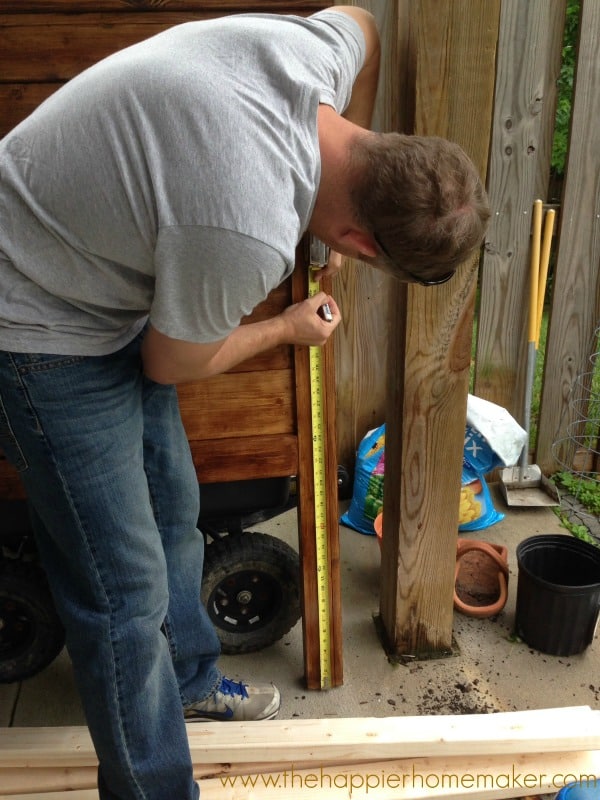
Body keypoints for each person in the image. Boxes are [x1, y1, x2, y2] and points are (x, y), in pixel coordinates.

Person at [0, 6, 489, 799]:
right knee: (120, 594)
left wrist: (320, 231)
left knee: (172, 509)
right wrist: (288, 328)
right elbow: (168, 365)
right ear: (365, 246)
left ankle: (189, 683)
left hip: (95, 271)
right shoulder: (247, 223)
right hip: (35, 321)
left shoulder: (316, 55)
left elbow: (364, 18)